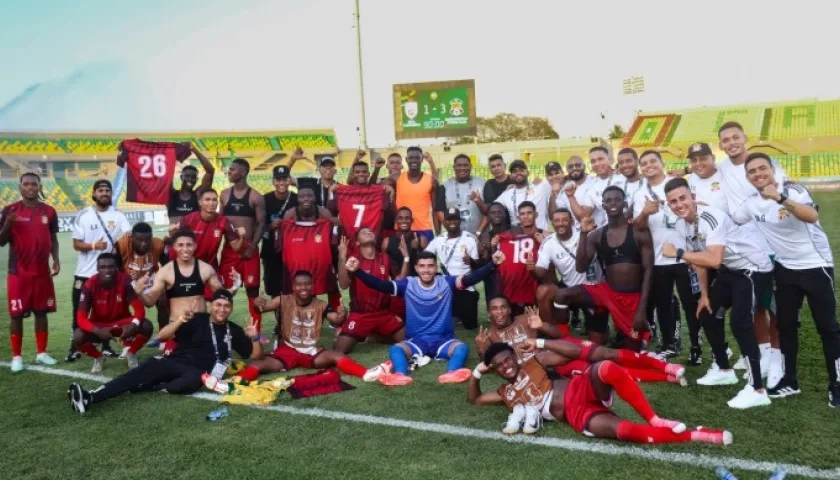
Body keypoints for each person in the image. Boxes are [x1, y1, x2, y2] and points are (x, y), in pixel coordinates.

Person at [468, 340, 730, 445]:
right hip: (576, 413)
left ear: (514, 356)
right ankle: (697, 435)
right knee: (625, 432)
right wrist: (477, 373)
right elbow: (476, 399)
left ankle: (654, 417)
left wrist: (539, 343)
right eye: (499, 366)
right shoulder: (505, 392)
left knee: (605, 367)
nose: (507, 366)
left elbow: (573, 352)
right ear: (495, 370)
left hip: (579, 388)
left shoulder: (534, 362)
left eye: (508, 359)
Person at [734, 153, 840, 407]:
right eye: (752, 171)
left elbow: (812, 216)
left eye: (763, 168)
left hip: (816, 266)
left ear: (772, 169)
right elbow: (734, 219)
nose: (758, 174)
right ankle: (790, 381)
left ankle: (836, 384)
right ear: (747, 177)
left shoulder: (793, 190)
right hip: (785, 270)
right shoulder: (750, 204)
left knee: (828, 328)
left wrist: (780, 198)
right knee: (786, 327)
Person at [662, 177, 774, 409]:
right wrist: (704, 294)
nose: (679, 204)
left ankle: (757, 389)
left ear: (692, 196)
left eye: (682, 198)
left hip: (752, 268)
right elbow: (700, 262)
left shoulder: (710, 217)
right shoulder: (683, 225)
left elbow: (713, 258)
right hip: (730, 271)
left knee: (740, 323)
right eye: (673, 201)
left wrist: (678, 253)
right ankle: (724, 369)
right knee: (706, 312)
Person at [67, 290, 262, 414]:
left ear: (231, 308)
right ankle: (90, 397)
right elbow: (162, 336)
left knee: (190, 381)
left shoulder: (234, 330)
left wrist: (255, 337)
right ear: (211, 306)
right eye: (218, 304)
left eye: (226, 306)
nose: (222, 309)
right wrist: (180, 321)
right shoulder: (197, 318)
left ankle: (154, 386)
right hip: (175, 361)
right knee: (140, 371)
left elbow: (255, 356)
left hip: (198, 373)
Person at [347, 251, 504, 386]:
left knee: (462, 348)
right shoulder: (408, 284)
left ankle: (453, 372)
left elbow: (471, 278)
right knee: (395, 349)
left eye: (430, 266)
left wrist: (493, 264)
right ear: (416, 268)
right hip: (416, 341)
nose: (426, 270)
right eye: (422, 266)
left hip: (443, 340)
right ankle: (400, 375)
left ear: (436, 267)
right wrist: (358, 272)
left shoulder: (446, 283)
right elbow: (380, 285)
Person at [537, 186, 654, 352]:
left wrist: (642, 310)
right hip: (606, 291)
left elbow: (649, 271)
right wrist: (584, 235)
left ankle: (630, 336)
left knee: (633, 352)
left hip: (630, 298)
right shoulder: (597, 235)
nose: (612, 203)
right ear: (603, 205)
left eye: (617, 199)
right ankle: (562, 337)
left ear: (624, 203)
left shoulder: (639, 232)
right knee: (562, 294)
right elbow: (580, 266)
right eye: (608, 200)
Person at [475, 299, 686, 385]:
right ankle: (665, 378)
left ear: (509, 309)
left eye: (503, 307)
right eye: (494, 309)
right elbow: (494, 366)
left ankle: (665, 366)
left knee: (606, 353)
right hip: (553, 362)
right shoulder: (491, 336)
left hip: (560, 346)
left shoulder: (524, 319)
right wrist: (481, 349)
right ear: (489, 313)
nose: (499, 312)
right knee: (605, 371)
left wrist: (541, 325)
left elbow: (556, 333)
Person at [717, 122, 785, 380]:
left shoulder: (766, 164)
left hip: (775, 245)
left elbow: (782, 194)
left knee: (777, 306)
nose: (731, 142)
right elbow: (704, 171)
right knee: (757, 306)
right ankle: (764, 353)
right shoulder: (723, 167)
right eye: (726, 139)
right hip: (747, 248)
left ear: (745, 138)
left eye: (736, 137)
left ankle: (778, 359)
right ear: (721, 144)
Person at [236, 270, 390, 383]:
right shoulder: (282, 300)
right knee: (258, 364)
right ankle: (234, 383)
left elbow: (336, 320)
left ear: (312, 286)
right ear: (293, 286)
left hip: (311, 351)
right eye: (299, 284)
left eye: (307, 284)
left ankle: (366, 373)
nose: (303, 287)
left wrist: (342, 314)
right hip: (287, 350)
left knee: (337, 355)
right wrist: (258, 304)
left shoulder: (321, 305)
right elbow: (262, 308)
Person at [632, 150, 695, 358]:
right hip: (659, 257)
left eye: (653, 161)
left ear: (662, 162)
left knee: (690, 303)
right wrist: (644, 212)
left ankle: (697, 346)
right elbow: (638, 227)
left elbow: (695, 213)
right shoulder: (639, 193)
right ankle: (670, 344)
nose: (649, 165)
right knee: (663, 304)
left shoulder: (678, 183)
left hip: (685, 254)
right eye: (644, 163)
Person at [0, 172, 60, 372]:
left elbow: (53, 238)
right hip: (19, 273)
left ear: (39, 186)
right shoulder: (10, 210)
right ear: (20, 187)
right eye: (26, 184)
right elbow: (1, 241)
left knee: (41, 312)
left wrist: (56, 260)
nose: (31, 188)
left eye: (34, 184)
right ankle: (17, 357)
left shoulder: (49, 211)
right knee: (16, 315)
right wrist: (8, 223)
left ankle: (41, 353)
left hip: (42, 272)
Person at [67, 179, 131, 362]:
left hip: (109, 274)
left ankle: (107, 347)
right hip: (85, 273)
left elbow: (128, 236)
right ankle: (74, 348)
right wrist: (95, 245)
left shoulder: (118, 215)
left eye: (107, 191)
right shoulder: (84, 215)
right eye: (101, 190)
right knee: (78, 312)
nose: (104, 193)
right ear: (94, 194)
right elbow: (76, 244)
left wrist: (126, 238)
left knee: (108, 313)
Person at [134, 229, 238, 329]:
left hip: (202, 324)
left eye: (189, 245)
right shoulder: (165, 272)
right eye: (180, 245)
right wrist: (140, 293)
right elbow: (150, 302)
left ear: (195, 246)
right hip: (177, 326)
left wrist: (235, 285)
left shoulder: (205, 269)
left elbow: (222, 295)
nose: (185, 249)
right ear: (174, 246)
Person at [533, 208, 608, 343]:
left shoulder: (587, 234)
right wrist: (532, 268)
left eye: (564, 220)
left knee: (598, 342)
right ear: (552, 223)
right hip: (569, 289)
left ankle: (597, 325)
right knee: (544, 291)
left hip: (593, 288)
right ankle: (555, 333)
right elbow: (540, 270)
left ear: (572, 222)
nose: (560, 223)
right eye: (557, 220)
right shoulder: (549, 242)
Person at [73, 253, 154, 372]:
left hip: (122, 322)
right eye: (103, 267)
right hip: (99, 325)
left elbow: (139, 308)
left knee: (146, 326)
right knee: (77, 336)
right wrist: (97, 331)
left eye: (110, 267)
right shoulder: (90, 285)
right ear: (97, 268)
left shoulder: (125, 280)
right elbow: (81, 318)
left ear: (116, 267)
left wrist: (134, 324)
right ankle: (99, 357)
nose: (107, 270)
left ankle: (131, 353)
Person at [335, 229, 408, 353]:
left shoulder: (384, 258)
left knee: (408, 341)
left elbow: (401, 280)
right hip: (360, 314)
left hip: (384, 313)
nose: (369, 233)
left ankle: (374, 335)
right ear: (357, 243)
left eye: (370, 232)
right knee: (339, 349)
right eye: (364, 232)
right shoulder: (353, 260)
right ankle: (366, 333)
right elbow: (343, 285)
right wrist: (342, 257)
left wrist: (406, 257)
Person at [219, 158, 266, 332]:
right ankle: (222, 331)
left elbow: (261, 224)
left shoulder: (255, 196)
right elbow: (219, 221)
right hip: (230, 249)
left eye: (232, 169)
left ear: (244, 172)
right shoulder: (224, 194)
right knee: (227, 292)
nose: (229, 172)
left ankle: (256, 332)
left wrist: (253, 246)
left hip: (249, 249)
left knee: (252, 291)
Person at [175, 189, 245, 298]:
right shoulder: (189, 219)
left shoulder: (223, 221)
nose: (211, 203)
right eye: (207, 199)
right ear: (200, 202)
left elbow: (236, 247)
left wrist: (242, 237)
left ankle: (235, 286)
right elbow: (178, 245)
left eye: (214, 200)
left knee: (221, 297)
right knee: (187, 299)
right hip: (189, 264)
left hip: (210, 265)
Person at [425, 207, 480, 330]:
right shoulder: (439, 240)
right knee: (443, 324)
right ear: (444, 222)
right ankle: (451, 313)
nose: (452, 223)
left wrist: (470, 261)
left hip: (465, 285)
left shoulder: (469, 239)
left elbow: (477, 267)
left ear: (460, 221)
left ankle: (462, 310)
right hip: (446, 286)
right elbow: (425, 256)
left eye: (455, 219)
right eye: (449, 220)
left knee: (471, 326)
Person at [116, 222, 168, 343]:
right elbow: (116, 267)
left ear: (152, 237)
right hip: (130, 279)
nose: (143, 243)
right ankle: (127, 336)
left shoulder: (158, 244)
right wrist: (126, 280)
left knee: (163, 301)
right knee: (122, 306)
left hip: (150, 277)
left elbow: (167, 265)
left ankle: (163, 336)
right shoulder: (122, 245)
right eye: (139, 240)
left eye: (147, 240)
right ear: (131, 237)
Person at [495, 201, 545, 315]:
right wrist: (494, 246)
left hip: (536, 283)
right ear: (518, 217)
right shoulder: (507, 237)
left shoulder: (544, 236)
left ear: (536, 215)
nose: (526, 216)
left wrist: (544, 244)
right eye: (522, 214)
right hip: (512, 284)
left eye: (529, 213)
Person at [382, 207, 427, 318]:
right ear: (396, 221)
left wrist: (417, 250)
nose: (404, 221)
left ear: (412, 220)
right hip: (397, 285)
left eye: (407, 218)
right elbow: (384, 265)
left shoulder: (421, 240)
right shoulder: (387, 241)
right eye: (400, 218)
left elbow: (427, 266)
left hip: (417, 285)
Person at [262, 165, 298, 302]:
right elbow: (258, 224)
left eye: (284, 179)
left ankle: (292, 319)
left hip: (293, 250)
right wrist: (270, 225)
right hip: (271, 250)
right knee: (274, 289)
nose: (281, 183)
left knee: (294, 286)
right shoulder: (264, 199)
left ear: (290, 180)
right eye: (278, 179)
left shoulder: (297, 199)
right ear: (273, 181)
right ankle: (280, 322)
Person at [335, 161, 391, 246]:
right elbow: (332, 208)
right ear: (353, 174)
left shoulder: (378, 191)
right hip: (351, 239)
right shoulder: (344, 191)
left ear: (368, 173)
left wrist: (388, 194)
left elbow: (386, 208)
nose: (361, 174)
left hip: (372, 238)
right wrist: (331, 193)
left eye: (364, 172)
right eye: (357, 172)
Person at [392, 147, 439, 241]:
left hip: (424, 229)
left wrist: (439, 234)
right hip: (401, 229)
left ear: (422, 159)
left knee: (426, 256)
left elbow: (435, 210)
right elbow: (373, 185)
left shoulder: (431, 180)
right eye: (411, 157)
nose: (414, 160)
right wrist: (387, 187)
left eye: (417, 157)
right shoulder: (397, 177)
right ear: (406, 160)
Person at [436, 153, 486, 236]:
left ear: (470, 166)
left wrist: (479, 232)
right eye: (459, 165)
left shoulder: (482, 184)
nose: (462, 168)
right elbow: (440, 212)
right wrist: (452, 230)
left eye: (465, 165)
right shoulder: (445, 187)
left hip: (479, 235)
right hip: (455, 236)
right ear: (454, 167)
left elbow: (489, 211)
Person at [577, 146, 627, 227]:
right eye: (593, 161)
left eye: (600, 159)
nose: (597, 164)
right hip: (607, 231)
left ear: (610, 159)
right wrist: (570, 196)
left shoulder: (623, 177)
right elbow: (585, 213)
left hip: (629, 227)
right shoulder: (592, 186)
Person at [496, 160, 552, 230]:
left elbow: (560, 179)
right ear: (510, 176)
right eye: (514, 171)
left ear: (528, 173)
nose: (518, 173)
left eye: (521, 170)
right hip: (518, 237)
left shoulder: (540, 187)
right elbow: (491, 208)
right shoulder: (507, 194)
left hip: (540, 236)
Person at [167, 143, 215, 225]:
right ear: (181, 177)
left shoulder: (198, 195)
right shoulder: (171, 194)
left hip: (193, 237)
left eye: (193, 177)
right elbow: (165, 174)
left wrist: (195, 151)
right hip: (176, 237)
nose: (190, 179)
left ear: (196, 179)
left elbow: (210, 171)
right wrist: (173, 155)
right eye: (187, 176)